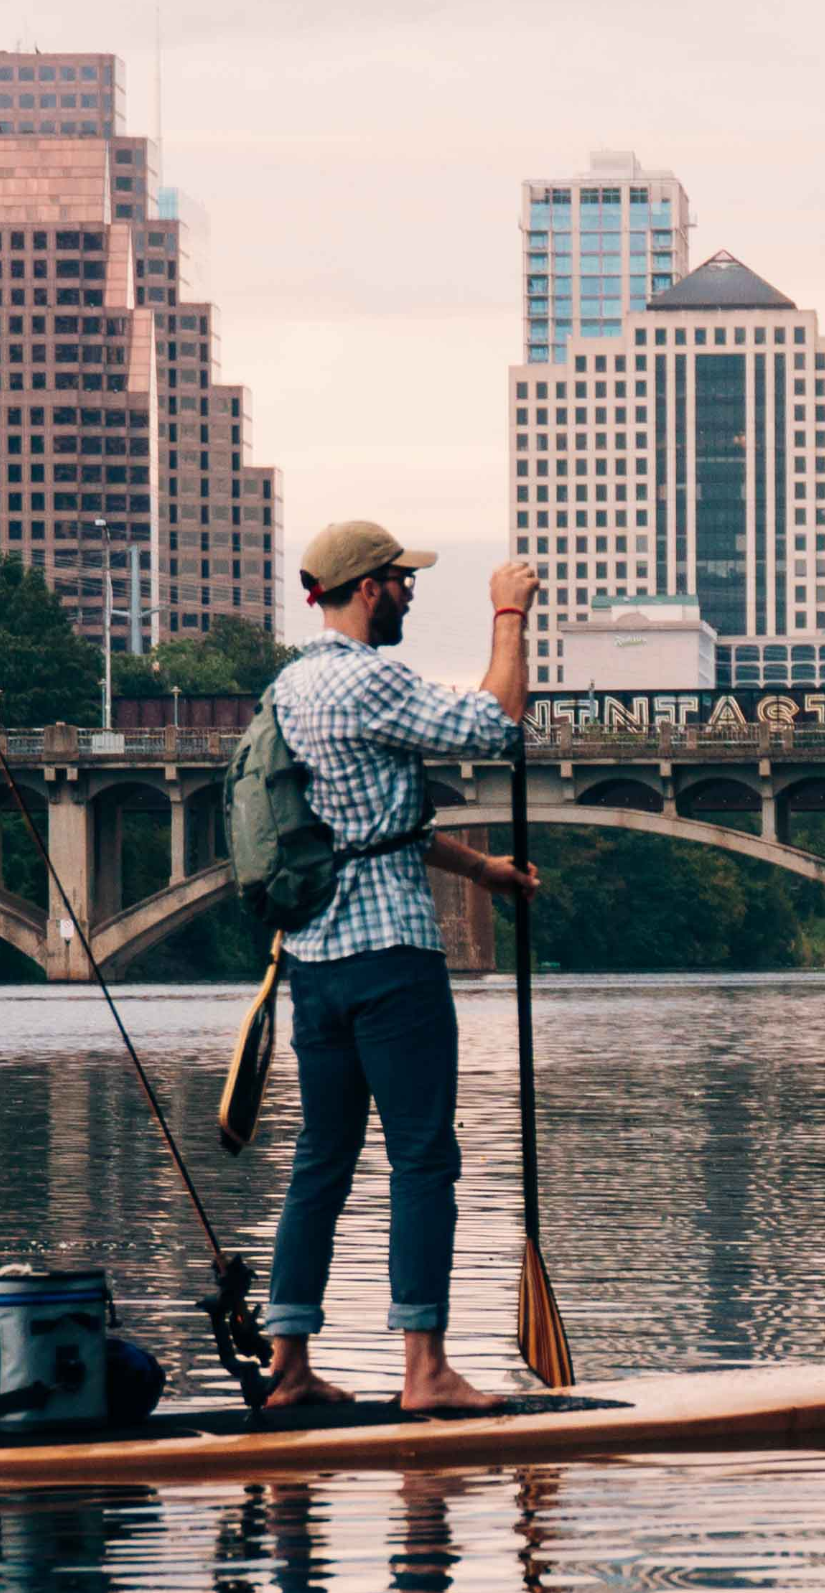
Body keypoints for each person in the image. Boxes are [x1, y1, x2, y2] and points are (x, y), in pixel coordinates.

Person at [262, 519, 540, 1413]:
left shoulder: (288, 687)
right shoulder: (368, 676)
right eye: (401, 580)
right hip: (391, 959)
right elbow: (496, 724)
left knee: (322, 1160)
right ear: (369, 586)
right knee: (423, 1157)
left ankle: (290, 1368)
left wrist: (483, 871)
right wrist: (508, 615)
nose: (410, 592)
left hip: (313, 962)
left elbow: (375, 827)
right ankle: (425, 1371)